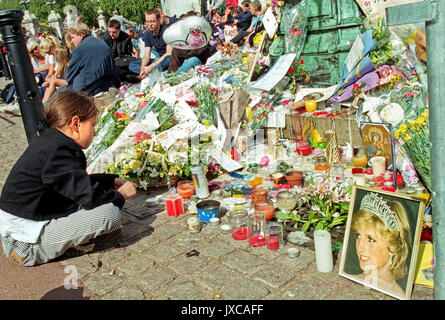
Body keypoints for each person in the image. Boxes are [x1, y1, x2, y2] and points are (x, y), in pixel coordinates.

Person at [0, 91, 138, 266]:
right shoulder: (59, 150)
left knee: (98, 207)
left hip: (24, 222)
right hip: (24, 241)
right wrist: (121, 196)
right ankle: (44, 250)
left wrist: (109, 181)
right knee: (109, 214)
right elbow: (87, 196)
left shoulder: (52, 140)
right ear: (76, 123)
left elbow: (73, 183)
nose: (94, 132)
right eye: (93, 125)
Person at [350, 192, 411, 297]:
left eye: (371, 239)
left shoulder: (397, 295)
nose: (360, 247)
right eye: (358, 236)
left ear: (393, 248)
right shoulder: (350, 280)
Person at [65, 23, 119, 95]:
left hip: (89, 89)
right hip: (107, 83)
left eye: (72, 37)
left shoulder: (79, 49)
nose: (71, 41)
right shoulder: (101, 42)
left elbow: (69, 76)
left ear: (81, 35)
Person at [132, 8, 173, 79]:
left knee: (168, 59)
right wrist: (143, 68)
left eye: (152, 21)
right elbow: (146, 55)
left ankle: (151, 72)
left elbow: (169, 53)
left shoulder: (167, 31)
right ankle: (147, 72)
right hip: (158, 62)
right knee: (132, 65)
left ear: (159, 20)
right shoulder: (147, 34)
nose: (149, 24)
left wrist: (152, 66)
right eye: (147, 22)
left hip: (166, 59)